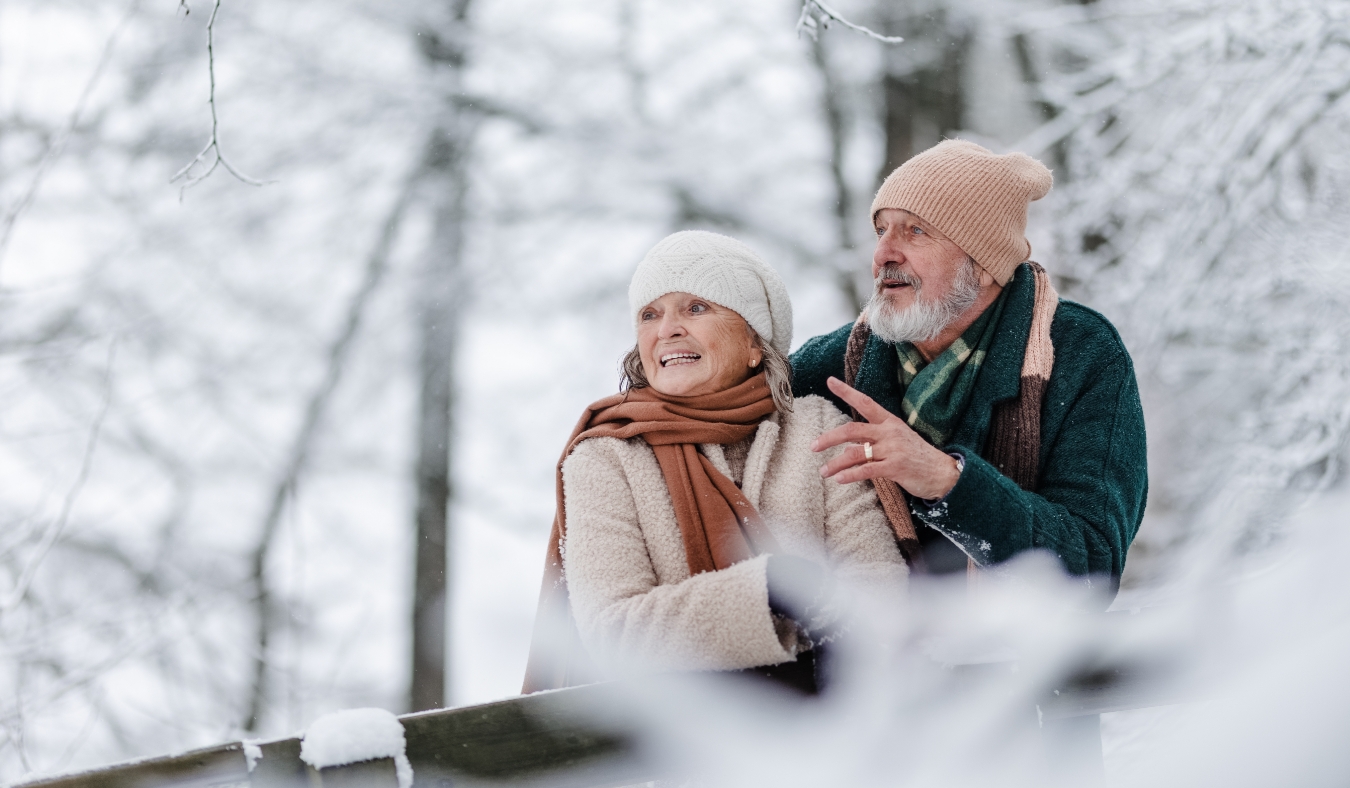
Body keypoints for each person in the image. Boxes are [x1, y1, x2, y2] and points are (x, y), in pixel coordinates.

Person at [522, 230, 907, 695]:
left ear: (753, 343)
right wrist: (774, 591)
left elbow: (879, 594)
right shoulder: (606, 456)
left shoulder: (820, 429)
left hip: (832, 729)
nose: (667, 329)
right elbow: (615, 634)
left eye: (696, 307)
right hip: (671, 741)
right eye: (650, 314)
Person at [791, 140, 1147, 591]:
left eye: (916, 231)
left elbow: (1092, 567)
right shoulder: (835, 363)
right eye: (883, 229)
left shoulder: (1083, 355)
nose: (884, 253)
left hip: (1024, 655)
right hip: (878, 653)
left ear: (983, 264)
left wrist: (948, 482)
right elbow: (727, 406)